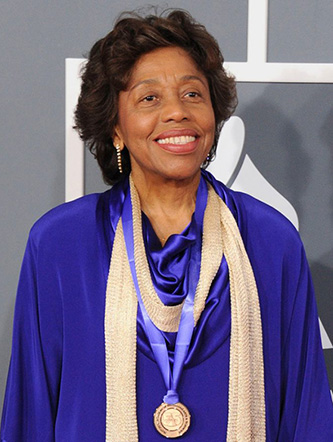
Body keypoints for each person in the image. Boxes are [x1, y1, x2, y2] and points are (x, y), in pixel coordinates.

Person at [1, 8, 333, 442]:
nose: (177, 112)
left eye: (193, 94)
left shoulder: (270, 242)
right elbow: (32, 411)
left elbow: (306, 412)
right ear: (115, 127)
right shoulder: (61, 245)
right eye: (149, 98)